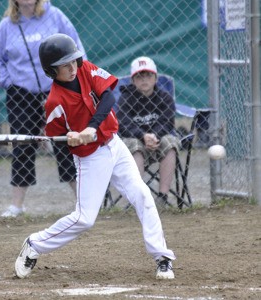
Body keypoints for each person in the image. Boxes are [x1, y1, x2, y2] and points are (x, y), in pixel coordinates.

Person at [14, 33, 176, 280]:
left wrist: (91, 127)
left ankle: (162, 257)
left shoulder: (85, 69)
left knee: (142, 194)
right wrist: (71, 137)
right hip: (90, 157)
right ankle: (34, 244)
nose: (71, 67)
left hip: (115, 144)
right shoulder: (54, 102)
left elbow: (109, 97)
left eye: (73, 61)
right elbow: (56, 137)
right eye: (64, 65)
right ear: (50, 70)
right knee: (84, 219)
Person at [0, 0, 87, 217]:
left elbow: (76, 49)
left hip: (57, 91)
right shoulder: (6, 26)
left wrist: (73, 81)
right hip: (21, 95)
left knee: (66, 143)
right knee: (22, 145)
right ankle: (17, 206)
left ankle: (83, 203)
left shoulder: (56, 16)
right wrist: (10, 83)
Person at [116, 56, 180, 206]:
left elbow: (168, 121)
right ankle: (139, 198)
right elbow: (123, 124)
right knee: (134, 146)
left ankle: (162, 197)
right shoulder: (126, 98)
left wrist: (154, 136)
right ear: (132, 80)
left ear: (156, 78)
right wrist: (143, 136)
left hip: (158, 140)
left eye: (148, 75)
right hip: (135, 139)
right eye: (139, 76)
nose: (144, 80)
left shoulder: (165, 98)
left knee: (170, 142)